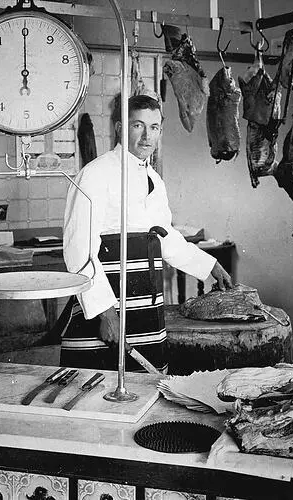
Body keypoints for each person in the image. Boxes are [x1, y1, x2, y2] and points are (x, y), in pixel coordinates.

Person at [61, 94, 232, 372]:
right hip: (107, 306)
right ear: (120, 128)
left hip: (146, 307)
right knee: (93, 388)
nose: (146, 136)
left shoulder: (153, 179)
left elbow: (164, 237)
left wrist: (208, 264)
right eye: (137, 125)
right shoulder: (95, 174)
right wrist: (105, 312)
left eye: (153, 127)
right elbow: (79, 250)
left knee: (145, 385)